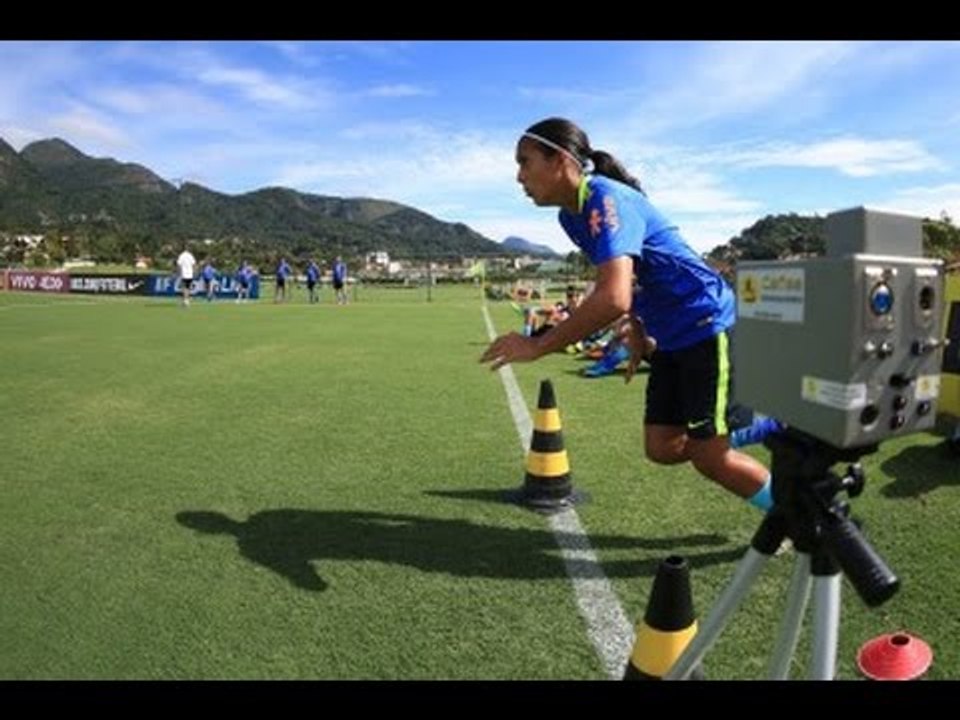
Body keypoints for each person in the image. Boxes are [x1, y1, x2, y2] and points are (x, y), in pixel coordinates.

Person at [480, 117, 773, 513]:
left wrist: (538, 345)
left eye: (524, 162)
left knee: (710, 459)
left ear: (560, 160)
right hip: (669, 335)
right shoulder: (570, 216)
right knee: (662, 447)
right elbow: (626, 281)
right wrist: (636, 325)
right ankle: (753, 430)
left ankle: (803, 519)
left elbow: (613, 296)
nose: (519, 177)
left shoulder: (605, 198)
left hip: (707, 323)